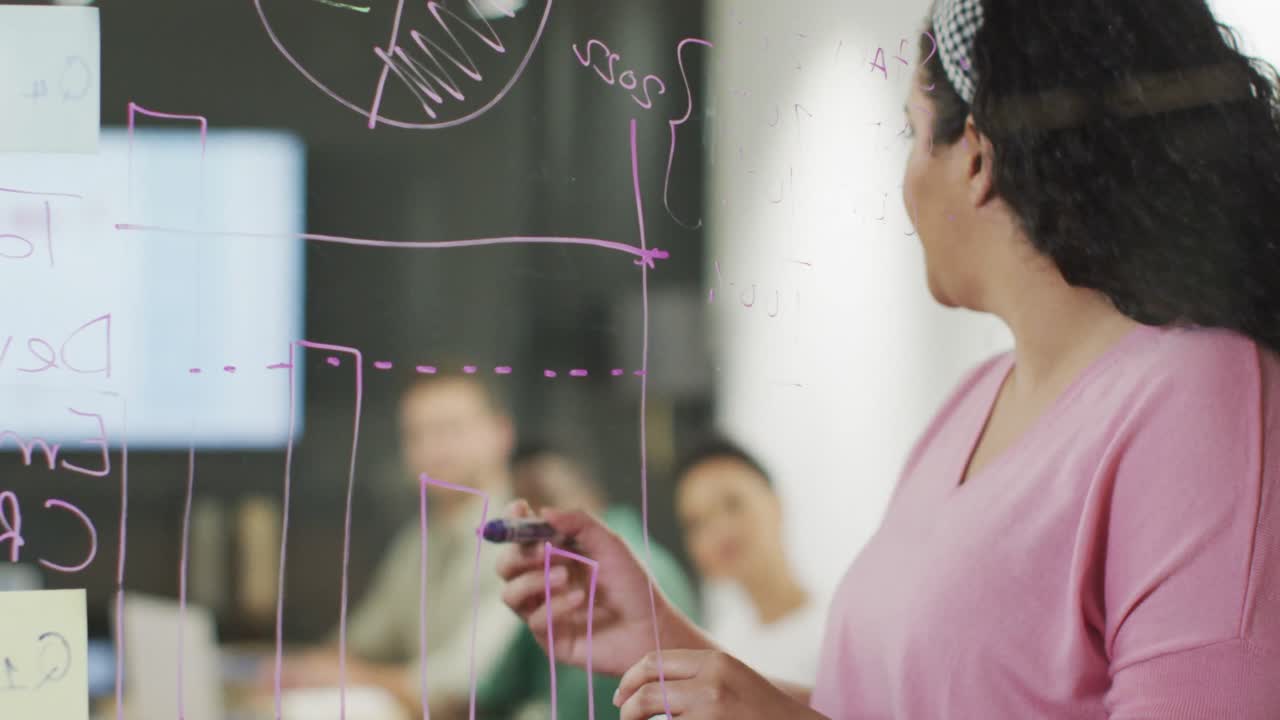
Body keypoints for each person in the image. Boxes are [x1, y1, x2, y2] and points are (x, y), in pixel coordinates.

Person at [493, 1, 1280, 718]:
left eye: (911, 133)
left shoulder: (1203, 395)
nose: (903, 179)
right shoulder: (977, 400)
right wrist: (666, 645)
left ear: (975, 156)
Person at [275, 370, 521, 718]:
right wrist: (309, 669)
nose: (432, 448)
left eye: (450, 430)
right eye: (416, 435)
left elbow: (455, 690)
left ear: (501, 433)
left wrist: (348, 675)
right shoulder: (418, 542)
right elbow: (362, 641)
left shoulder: (523, 542)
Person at [477, 442, 699, 720]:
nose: (540, 515)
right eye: (530, 504)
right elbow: (497, 691)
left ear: (588, 492)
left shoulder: (639, 572)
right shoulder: (559, 580)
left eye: (548, 498)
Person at [672, 436, 825, 687]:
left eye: (732, 504)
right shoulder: (719, 651)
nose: (720, 530)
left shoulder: (843, 627)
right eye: (697, 523)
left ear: (776, 503)